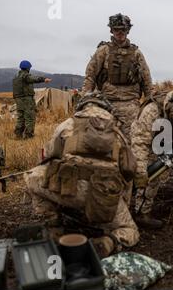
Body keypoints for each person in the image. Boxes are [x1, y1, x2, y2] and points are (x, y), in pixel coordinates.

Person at [24, 94, 139, 258]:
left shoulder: (66, 125)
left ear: (82, 106)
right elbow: (128, 173)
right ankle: (108, 242)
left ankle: (54, 226)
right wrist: (120, 204)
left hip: (69, 190)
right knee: (130, 230)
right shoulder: (118, 133)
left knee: (31, 176)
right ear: (106, 109)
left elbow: (47, 158)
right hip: (103, 195)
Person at [131, 89, 173, 228]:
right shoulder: (152, 111)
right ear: (170, 108)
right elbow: (139, 142)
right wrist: (141, 170)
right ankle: (142, 212)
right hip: (151, 144)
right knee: (149, 175)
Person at [82, 13, 152, 140]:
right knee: (104, 142)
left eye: (123, 29)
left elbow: (146, 80)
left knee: (131, 142)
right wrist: (86, 101)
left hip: (131, 105)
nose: (120, 33)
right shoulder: (103, 51)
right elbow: (90, 76)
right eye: (116, 29)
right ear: (111, 30)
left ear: (128, 30)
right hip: (107, 104)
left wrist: (150, 104)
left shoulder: (136, 53)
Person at [12, 60, 51, 138]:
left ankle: (18, 135)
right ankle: (28, 136)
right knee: (30, 118)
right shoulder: (25, 76)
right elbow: (33, 78)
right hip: (27, 100)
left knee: (21, 118)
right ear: (27, 68)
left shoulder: (16, 78)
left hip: (18, 100)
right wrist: (43, 79)